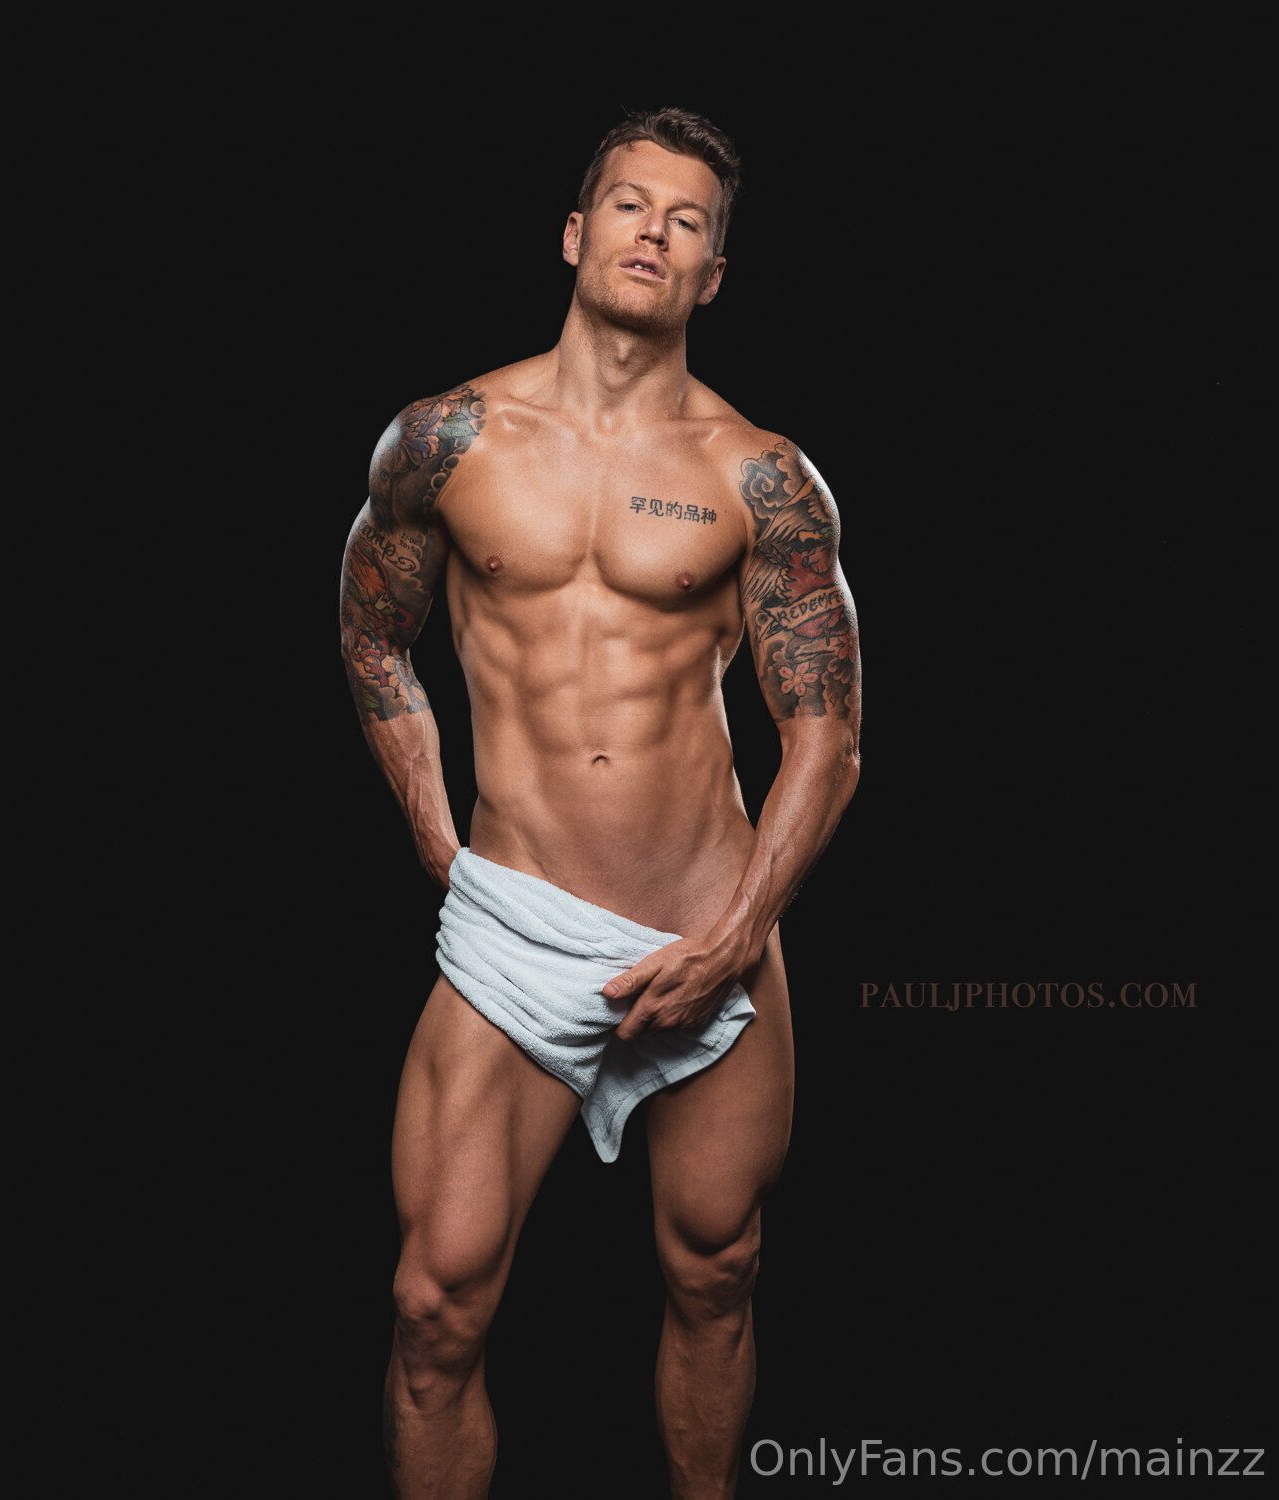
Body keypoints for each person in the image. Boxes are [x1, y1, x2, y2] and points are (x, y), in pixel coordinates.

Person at [339, 106, 862, 1499]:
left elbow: (827, 732)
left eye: (687, 222)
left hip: (706, 923)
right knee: (433, 1307)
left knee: (718, 1271)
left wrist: (737, 935)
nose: (654, 233)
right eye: (631, 205)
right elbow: (373, 635)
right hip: (517, 927)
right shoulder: (446, 439)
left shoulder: (760, 475)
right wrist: (438, 836)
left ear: (712, 274)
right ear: (576, 234)